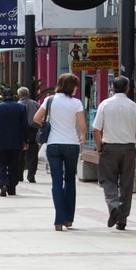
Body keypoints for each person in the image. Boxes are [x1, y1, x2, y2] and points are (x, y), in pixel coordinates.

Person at [92, 76, 136, 230]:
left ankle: (113, 204)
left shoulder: (105, 104)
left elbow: (96, 129)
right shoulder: (133, 106)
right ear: (128, 89)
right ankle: (122, 219)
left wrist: (99, 147)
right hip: (129, 149)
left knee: (107, 180)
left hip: (109, 147)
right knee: (126, 184)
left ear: (112, 88)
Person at [34, 74, 87, 230]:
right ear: (72, 86)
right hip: (71, 143)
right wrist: (82, 136)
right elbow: (82, 125)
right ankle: (69, 219)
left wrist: (47, 124)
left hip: (53, 144)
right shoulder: (76, 102)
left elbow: (36, 118)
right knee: (70, 180)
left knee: (56, 181)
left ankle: (59, 220)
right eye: (76, 86)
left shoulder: (50, 100)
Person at [0, 88, 29, 196]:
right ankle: (11, 187)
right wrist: (26, 140)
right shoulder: (21, 108)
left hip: (0, 141)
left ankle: (3, 183)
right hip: (16, 141)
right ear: (14, 95)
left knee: (1, 164)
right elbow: (25, 125)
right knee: (14, 164)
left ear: (2, 96)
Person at [17, 87, 41, 183]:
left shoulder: (18, 105)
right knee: (33, 154)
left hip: (21, 131)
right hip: (33, 130)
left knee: (20, 154)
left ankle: (19, 175)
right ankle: (31, 176)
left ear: (19, 95)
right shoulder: (35, 104)